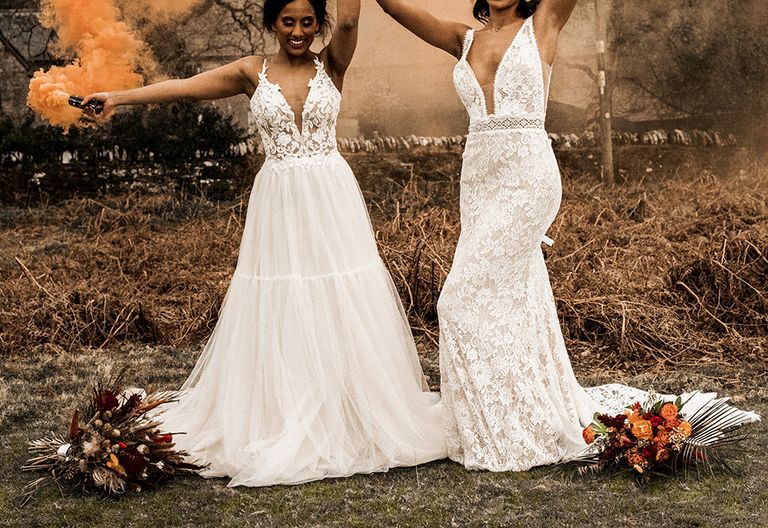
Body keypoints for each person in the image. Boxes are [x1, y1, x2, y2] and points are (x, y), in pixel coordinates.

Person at [374, 0, 758, 472]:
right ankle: (513, 407)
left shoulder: (543, 24)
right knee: (511, 296)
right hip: (479, 181)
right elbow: (395, 11)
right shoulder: (463, 39)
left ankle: (507, 425)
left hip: (528, 178)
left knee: (458, 298)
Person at [84, 0, 448, 487]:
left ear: (320, 23)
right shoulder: (250, 71)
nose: (298, 32)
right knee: (283, 296)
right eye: (288, 22)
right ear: (272, 23)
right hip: (279, 201)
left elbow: (353, 18)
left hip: (332, 196)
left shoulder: (333, 62)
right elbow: (186, 90)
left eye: (307, 22)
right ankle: (285, 408)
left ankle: (347, 407)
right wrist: (118, 96)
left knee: (340, 293)